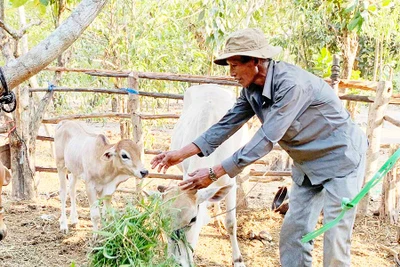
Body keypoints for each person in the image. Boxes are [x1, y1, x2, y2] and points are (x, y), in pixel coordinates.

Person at [150, 28, 368, 267]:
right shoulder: (251, 91)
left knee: (335, 239)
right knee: (293, 236)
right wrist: (180, 153)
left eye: (235, 65)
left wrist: (214, 173)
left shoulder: (291, 86)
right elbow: (226, 124)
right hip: (307, 166)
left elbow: (266, 139)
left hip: (341, 161)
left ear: (255, 61)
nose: (231, 73)